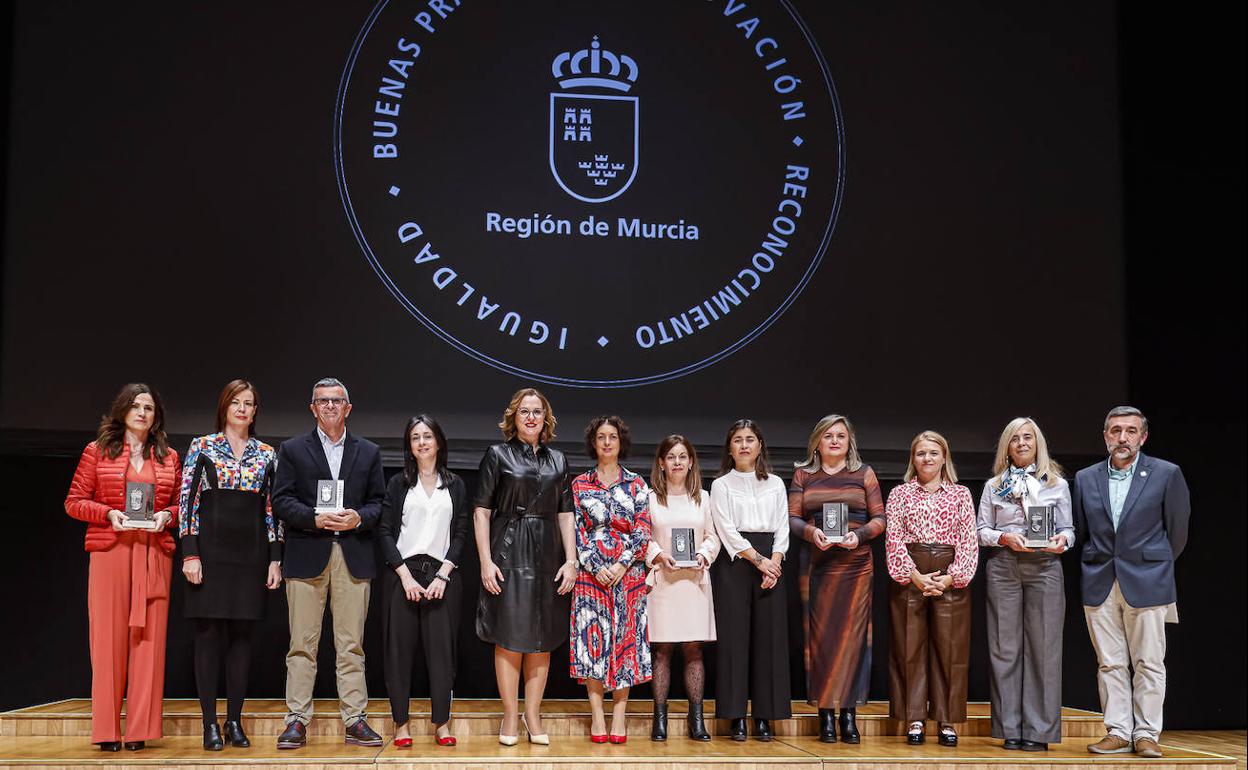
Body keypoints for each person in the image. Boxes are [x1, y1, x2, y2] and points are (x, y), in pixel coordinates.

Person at [64, 383, 181, 752]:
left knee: (148, 643)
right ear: (122, 411)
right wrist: (108, 513)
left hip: (153, 551)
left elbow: (182, 507)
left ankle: (139, 730)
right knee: (107, 641)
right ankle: (106, 731)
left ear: (156, 416)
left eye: (149, 407)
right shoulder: (96, 452)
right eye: (135, 406)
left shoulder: (169, 457)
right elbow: (74, 502)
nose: (142, 413)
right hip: (110, 551)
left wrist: (166, 515)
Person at [271, 378, 386, 749]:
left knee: (351, 645)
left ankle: (355, 719)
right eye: (323, 401)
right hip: (307, 552)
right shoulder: (292, 450)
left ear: (348, 408)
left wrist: (358, 518)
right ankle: (296, 720)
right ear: (313, 408)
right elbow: (282, 501)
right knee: (302, 644)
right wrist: (313, 518)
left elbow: (379, 504)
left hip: (352, 554)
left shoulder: (367, 452)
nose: (331, 407)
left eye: (337, 401)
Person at [1074, 406, 1189, 759]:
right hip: (1100, 580)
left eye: (1130, 431)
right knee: (1109, 662)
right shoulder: (1085, 478)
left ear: (1143, 436)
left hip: (1148, 579)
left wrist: (1152, 564)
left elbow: (1177, 531)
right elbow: (1081, 530)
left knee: (1149, 662)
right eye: (1115, 431)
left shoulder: (1166, 473)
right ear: (1105, 435)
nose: (1122, 437)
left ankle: (1147, 734)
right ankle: (1118, 731)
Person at [178, 380, 283, 751]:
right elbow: (186, 503)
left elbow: (273, 510)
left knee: (242, 638)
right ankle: (209, 723)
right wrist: (190, 553)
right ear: (224, 407)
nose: (242, 409)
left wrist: (274, 558)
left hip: (251, 553)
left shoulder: (268, 453)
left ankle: (234, 721)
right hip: (210, 550)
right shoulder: (202, 446)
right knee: (208, 636)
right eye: (236, 402)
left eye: (249, 403)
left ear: (256, 411)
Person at [474, 387, 578, 745]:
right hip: (508, 549)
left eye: (537, 412)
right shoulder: (497, 454)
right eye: (524, 412)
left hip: (548, 551)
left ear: (545, 419)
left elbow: (566, 514)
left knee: (541, 636)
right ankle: (509, 716)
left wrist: (571, 561)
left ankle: (533, 715)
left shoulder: (559, 461)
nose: (531, 417)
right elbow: (482, 511)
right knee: (510, 635)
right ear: (513, 418)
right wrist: (486, 561)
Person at [977, 417, 1073, 751]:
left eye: (1027, 438)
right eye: (1014, 438)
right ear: (1007, 445)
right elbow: (981, 531)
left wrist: (1061, 539)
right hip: (1004, 566)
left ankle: (1039, 732)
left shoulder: (1056, 483)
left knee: (1043, 650)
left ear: (1038, 443)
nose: (1021, 443)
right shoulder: (994, 485)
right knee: (1005, 648)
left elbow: (1069, 529)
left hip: (1045, 566)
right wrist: (1005, 536)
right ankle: (1010, 728)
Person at [788, 415, 885, 743]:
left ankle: (849, 715)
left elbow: (880, 519)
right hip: (817, 564)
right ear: (817, 441)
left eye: (840, 436)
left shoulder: (864, 473)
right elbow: (792, 518)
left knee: (854, 640)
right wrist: (811, 532)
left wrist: (859, 536)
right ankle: (826, 715)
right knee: (821, 641)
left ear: (849, 441)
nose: (834, 441)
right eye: (828, 435)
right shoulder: (804, 473)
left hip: (856, 564)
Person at [378, 414, 470, 748]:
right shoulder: (399, 483)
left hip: (442, 576)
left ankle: (442, 724)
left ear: (439, 441)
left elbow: (460, 533)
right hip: (402, 574)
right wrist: (403, 576)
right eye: (415, 437)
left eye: (427, 436)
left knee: (442, 653)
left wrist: (444, 574)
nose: (421, 442)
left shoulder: (455, 484)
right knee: (398, 653)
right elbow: (385, 532)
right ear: (409, 445)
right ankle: (400, 724)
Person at [885, 430, 977, 747]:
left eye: (933, 453)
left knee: (950, 648)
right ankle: (914, 717)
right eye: (921, 453)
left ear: (944, 457)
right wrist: (914, 575)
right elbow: (893, 538)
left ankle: (947, 718)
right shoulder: (899, 494)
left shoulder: (961, 494)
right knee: (909, 647)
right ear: (913, 458)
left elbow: (968, 540)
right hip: (911, 573)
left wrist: (951, 577)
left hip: (949, 574)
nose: (927, 458)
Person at [570, 416, 653, 744]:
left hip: (628, 574)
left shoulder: (636, 484)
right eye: (601, 437)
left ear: (621, 442)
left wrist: (620, 564)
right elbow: (575, 531)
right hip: (591, 576)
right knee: (594, 644)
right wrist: (593, 564)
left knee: (624, 643)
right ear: (593, 442)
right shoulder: (579, 485)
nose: (606, 442)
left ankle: (619, 716)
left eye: (612, 437)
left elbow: (643, 531)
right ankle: (598, 717)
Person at [709, 419, 791, 742]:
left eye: (750, 439)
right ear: (730, 448)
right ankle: (735, 717)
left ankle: (764, 717)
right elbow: (726, 529)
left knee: (768, 642)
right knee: (734, 641)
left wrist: (775, 562)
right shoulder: (721, 485)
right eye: (738, 440)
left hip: (772, 563)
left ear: (760, 446)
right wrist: (759, 561)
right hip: (736, 564)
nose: (744, 445)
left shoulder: (775, 483)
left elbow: (782, 526)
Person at [645, 434, 719, 742]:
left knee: (694, 650)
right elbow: (643, 537)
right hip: (663, 583)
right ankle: (659, 717)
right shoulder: (649, 498)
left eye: (682, 457)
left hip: (694, 584)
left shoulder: (703, 497)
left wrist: (703, 554)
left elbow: (713, 536)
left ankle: (696, 718)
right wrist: (658, 554)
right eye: (671, 457)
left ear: (691, 463)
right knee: (661, 651)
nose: (677, 462)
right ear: (661, 463)